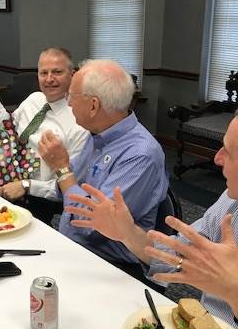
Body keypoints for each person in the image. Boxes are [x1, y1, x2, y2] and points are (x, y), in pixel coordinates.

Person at [64, 114, 238, 326]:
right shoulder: (230, 203)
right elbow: (179, 255)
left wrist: (234, 292)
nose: (217, 158)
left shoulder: (141, 151)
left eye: (228, 152)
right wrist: (128, 233)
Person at [38, 59, 168, 265]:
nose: (69, 103)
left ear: (93, 105)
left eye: (71, 96)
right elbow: (71, 188)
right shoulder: (98, 134)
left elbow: (90, 224)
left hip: (111, 264)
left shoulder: (140, 154)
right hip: (74, 245)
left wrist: (61, 168)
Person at [0, 48, 89, 221]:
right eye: (43, 73)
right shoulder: (34, 99)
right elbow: (8, 131)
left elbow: (71, 185)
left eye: (57, 72)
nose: (49, 79)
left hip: (38, 202)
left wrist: (26, 186)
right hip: (2, 179)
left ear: (72, 75)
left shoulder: (79, 123)